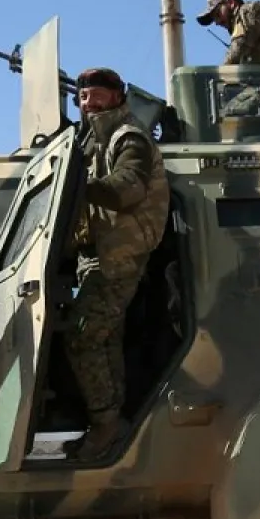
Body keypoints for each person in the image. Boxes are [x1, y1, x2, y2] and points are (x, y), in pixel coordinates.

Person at [62, 68, 170, 463]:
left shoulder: (129, 137)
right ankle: (111, 427)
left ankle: (107, 424)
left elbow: (128, 187)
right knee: (104, 339)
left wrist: (75, 185)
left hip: (120, 254)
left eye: (96, 96)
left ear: (117, 97)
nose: (87, 103)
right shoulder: (92, 138)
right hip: (100, 252)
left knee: (84, 335)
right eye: (82, 97)